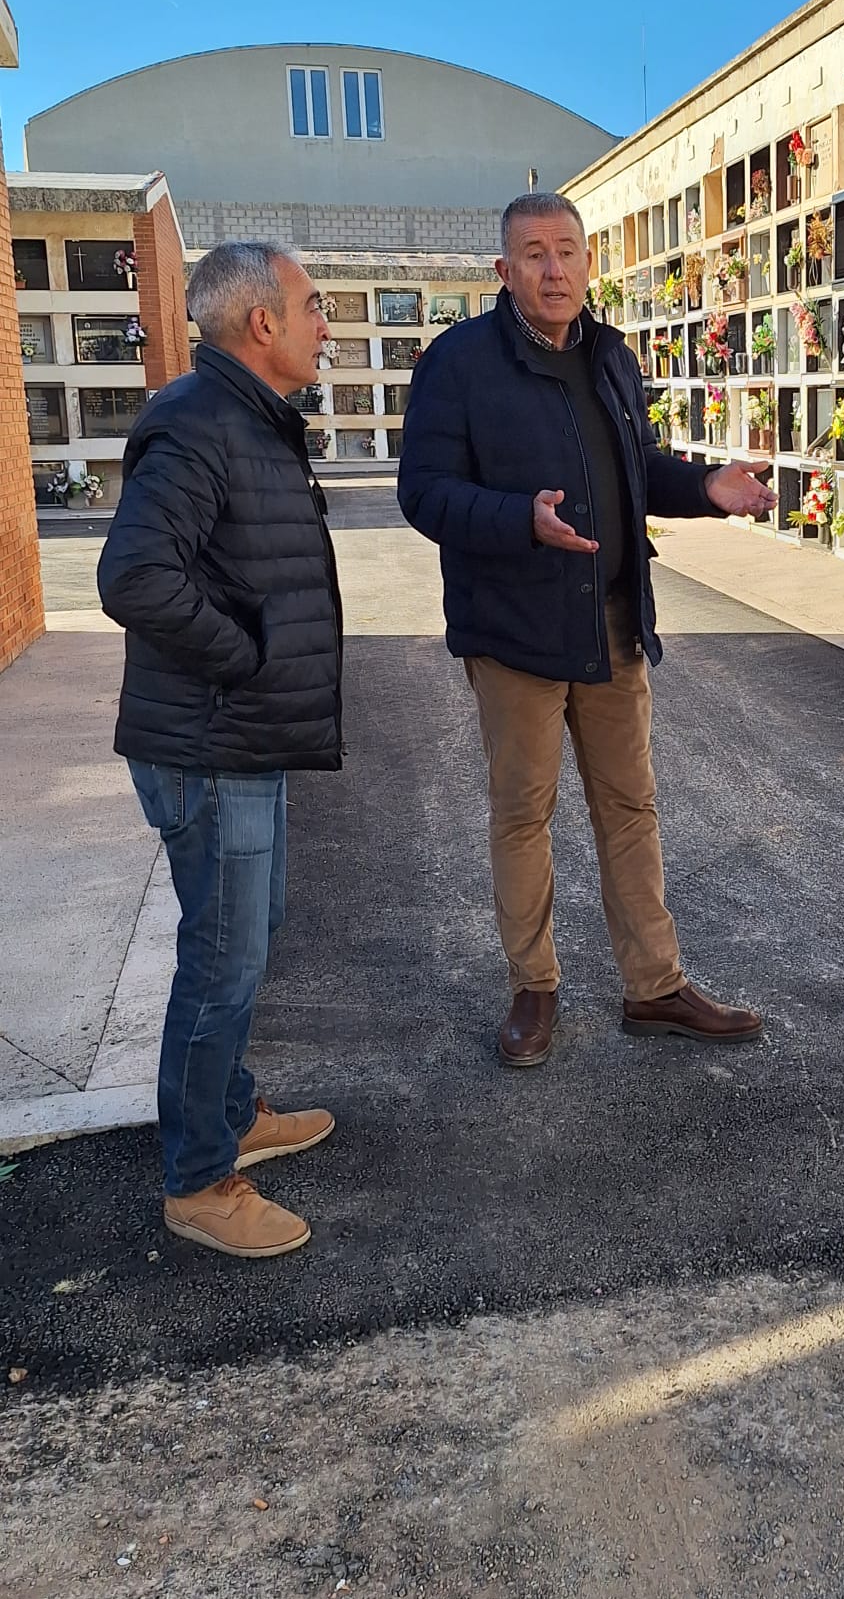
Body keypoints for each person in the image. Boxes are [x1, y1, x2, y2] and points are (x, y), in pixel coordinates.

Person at [398, 193, 776, 1067]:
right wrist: (516, 518)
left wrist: (704, 488)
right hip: (516, 635)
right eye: (533, 253)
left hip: (610, 624)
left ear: (589, 261)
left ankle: (656, 987)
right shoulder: (457, 363)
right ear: (504, 271)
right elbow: (421, 491)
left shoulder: (612, 356)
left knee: (631, 809)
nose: (554, 267)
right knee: (524, 814)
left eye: (567, 249)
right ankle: (535, 987)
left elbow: (635, 468)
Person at [97, 242, 343, 1257]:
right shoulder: (199, 424)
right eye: (312, 306)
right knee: (222, 958)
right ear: (261, 325)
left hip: (239, 737)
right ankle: (198, 1179)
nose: (325, 325)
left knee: (252, 929)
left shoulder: (246, 418)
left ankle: (231, 1109)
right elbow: (135, 578)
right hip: (208, 738)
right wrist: (243, 657)